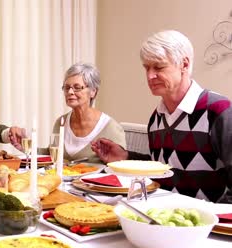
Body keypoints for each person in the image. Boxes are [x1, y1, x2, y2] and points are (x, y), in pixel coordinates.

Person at [91, 30, 232, 203]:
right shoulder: (156, 118)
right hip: (161, 217)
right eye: (146, 68)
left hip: (206, 225)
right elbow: (162, 168)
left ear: (184, 65)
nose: (150, 76)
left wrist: (212, 218)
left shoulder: (219, 111)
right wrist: (125, 157)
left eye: (158, 67)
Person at [49, 63, 126, 163]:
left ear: (93, 91)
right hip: (60, 178)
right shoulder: (61, 122)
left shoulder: (111, 128)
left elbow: (121, 166)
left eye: (77, 87)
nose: (70, 92)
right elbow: (50, 155)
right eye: (67, 87)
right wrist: (26, 147)